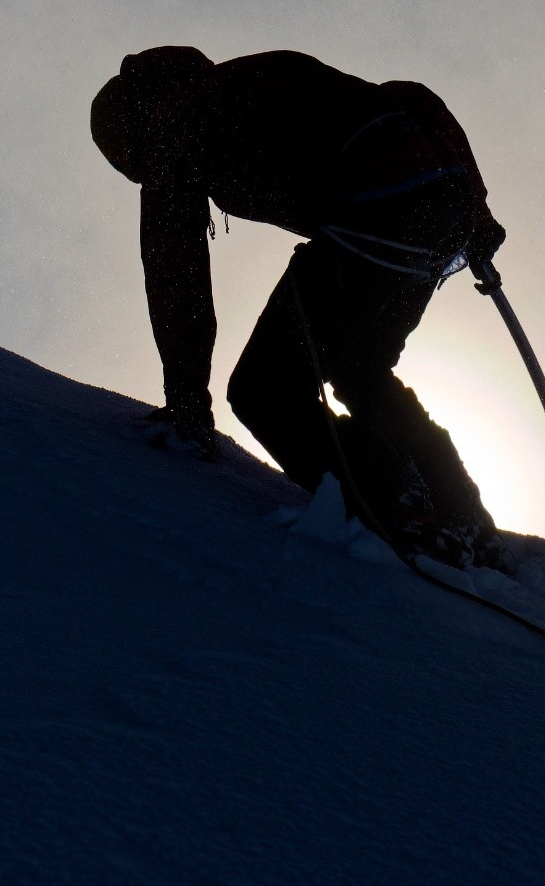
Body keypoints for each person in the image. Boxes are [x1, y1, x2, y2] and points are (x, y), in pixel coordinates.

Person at [91, 46, 507, 566]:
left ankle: (398, 507)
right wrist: (476, 209)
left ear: (135, 126)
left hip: (374, 208)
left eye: (134, 162)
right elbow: (411, 97)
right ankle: (464, 514)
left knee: (263, 389)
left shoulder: (175, 125)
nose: (146, 172)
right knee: (359, 367)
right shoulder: (252, 76)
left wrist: (187, 404)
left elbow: (179, 281)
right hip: (441, 212)